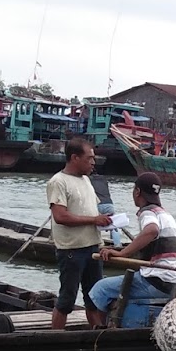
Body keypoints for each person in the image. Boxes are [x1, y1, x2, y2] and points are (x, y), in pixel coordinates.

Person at [88, 171, 176, 328]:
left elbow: (151, 230)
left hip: (157, 282)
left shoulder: (147, 212)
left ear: (137, 192)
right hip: (175, 283)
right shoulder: (164, 213)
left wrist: (122, 253)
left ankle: (100, 332)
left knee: (100, 289)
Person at [47, 138, 112, 329]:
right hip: (72, 249)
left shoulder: (86, 180)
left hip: (92, 246)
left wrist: (104, 220)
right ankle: (55, 338)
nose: (93, 162)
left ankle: (96, 337)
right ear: (74, 157)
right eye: (89, 158)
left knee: (94, 298)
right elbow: (60, 216)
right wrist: (94, 220)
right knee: (67, 299)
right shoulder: (58, 182)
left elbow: (90, 212)